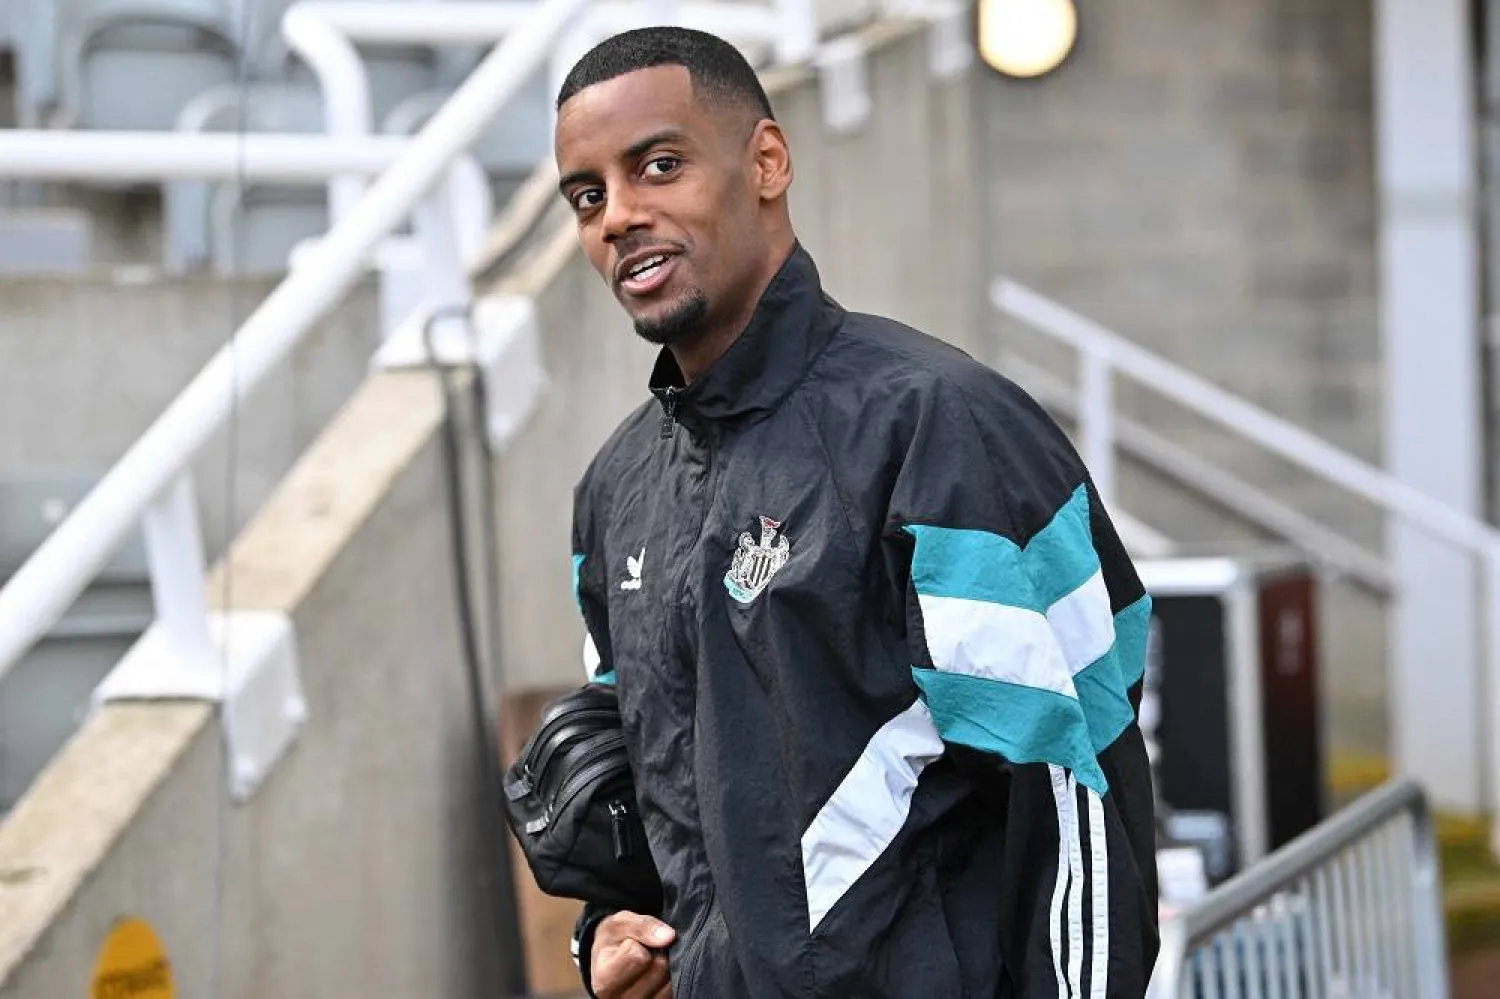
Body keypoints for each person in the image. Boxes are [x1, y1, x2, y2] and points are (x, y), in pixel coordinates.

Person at [553, 25, 1160, 999]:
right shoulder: (616, 488)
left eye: (658, 166)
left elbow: (1076, 789)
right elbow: (647, 789)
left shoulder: (940, 426)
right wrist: (610, 931)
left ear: (766, 162)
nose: (619, 215)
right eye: (589, 196)